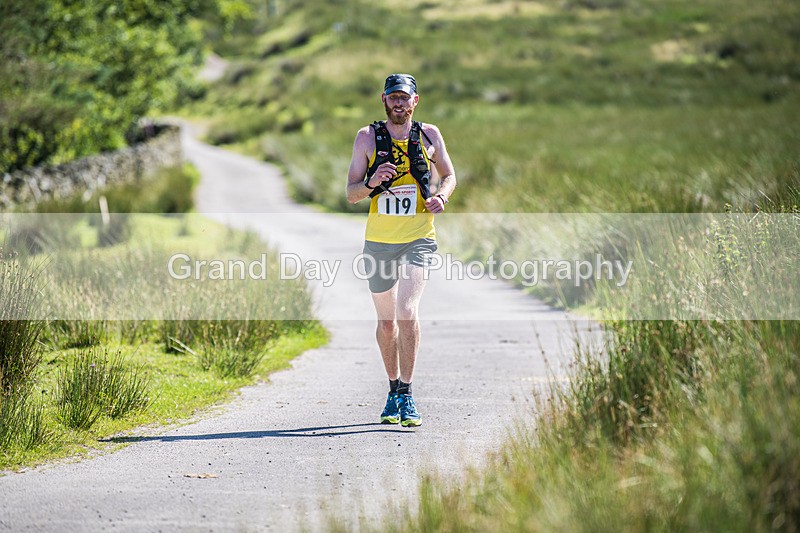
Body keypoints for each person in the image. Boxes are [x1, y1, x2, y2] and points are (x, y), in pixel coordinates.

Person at [346, 73, 457, 427]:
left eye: (404, 97)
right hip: (379, 242)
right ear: (383, 100)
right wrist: (372, 182)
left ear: (415, 101)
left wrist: (441, 195)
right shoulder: (367, 137)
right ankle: (392, 389)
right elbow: (350, 193)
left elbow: (450, 175)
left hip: (418, 237)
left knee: (407, 311)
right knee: (387, 322)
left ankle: (407, 394)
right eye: (393, 97)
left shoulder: (430, 135)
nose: (398, 103)